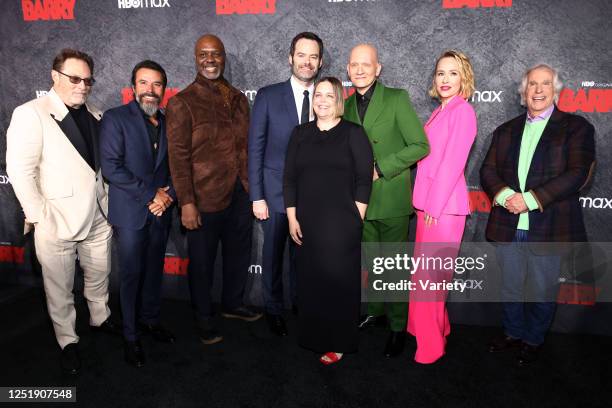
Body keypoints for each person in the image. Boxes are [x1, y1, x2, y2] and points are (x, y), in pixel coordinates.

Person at [6, 48, 120, 375]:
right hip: (56, 221)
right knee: (59, 288)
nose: (82, 85)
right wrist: (41, 217)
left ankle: (100, 318)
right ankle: (68, 340)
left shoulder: (97, 114)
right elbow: (20, 170)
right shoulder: (31, 113)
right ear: (55, 76)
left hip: (98, 217)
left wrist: (107, 206)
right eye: (74, 78)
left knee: (99, 275)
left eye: (88, 80)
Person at [480, 64, 595, 366]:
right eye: (533, 84)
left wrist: (531, 200)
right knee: (510, 286)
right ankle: (513, 333)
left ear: (556, 90)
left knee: (544, 290)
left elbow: (577, 173)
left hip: (549, 225)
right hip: (509, 222)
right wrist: (507, 198)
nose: (539, 89)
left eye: (546, 84)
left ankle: (533, 339)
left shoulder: (577, 127)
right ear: (524, 91)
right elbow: (488, 170)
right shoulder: (505, 130)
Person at [166, 34, 261, 345]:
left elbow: (247, 146)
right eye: (204, 54)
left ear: (224, 58)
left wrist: (250, 189)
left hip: (239, 193)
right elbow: (178, 158)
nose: (210, 59)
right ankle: (203, 316)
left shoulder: (236, 98)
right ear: (196, 59)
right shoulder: (183, 102)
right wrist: (187, 202)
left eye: (216, 54)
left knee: (238, 254)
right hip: (203, 199)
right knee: (203, 263)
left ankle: (233, 303)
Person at [344, 44, 429, 357]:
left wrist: (382, 168)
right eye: (355, 64)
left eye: (367, 64)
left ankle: (397, 328)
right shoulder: (346, 104)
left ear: (378, 68)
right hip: (359, 202)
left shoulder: (396, 98)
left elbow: (420, 145)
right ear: (348, 69)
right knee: (372, 263)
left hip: (391, 198)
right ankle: (376, 312)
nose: (361, 69)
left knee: (393, 269)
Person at [284, 77, 373, 365]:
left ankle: (340, 341)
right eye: (318, 95)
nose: (322, 100)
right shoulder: (299, 133)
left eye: (329, 95)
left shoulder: (354, 133)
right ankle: (313, 336)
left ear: (339, 101)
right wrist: (292, 217)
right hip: (307, 221)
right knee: (311, 283)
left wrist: (355, 216)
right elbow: (289, 179)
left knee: (339, 284)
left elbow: (363, 180)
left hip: (341, 224)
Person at [100, 60, 176, 367]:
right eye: (144, 83)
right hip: (132, 213)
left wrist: (168, 195)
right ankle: (130, 337)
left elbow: (178, 167)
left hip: (161, 211)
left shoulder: (171, 120)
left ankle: (149, 320)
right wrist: (150, 195)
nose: (150, 90)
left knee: (154, 271)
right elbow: (111, 168)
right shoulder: (115, 118)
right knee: (131, 276)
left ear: (164, 90)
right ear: (133, 87)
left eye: (156, 84)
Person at [248, 32, 324, 337]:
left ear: (320, 62)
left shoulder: (326, 95)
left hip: (312, 196)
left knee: (303, 256)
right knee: (272, 255)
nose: (307, 62)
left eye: (313, 56)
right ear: (290, 57)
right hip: (275, 194)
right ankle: (274, 308)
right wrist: (257, 196)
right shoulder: (268, 95)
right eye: (301, 55)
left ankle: (301, 305)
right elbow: (255, 147)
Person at [407, 50, 477, 364]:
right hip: (430, 206)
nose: (445, 79)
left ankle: (431, 346)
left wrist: (433, 206)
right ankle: (439, 328)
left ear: (464, 78)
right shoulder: (441, 110)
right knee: (429, 278)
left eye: (452, 73)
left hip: (443, 209)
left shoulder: (462, 111)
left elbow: (452, 163)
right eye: (440, 73)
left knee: (430, 280)